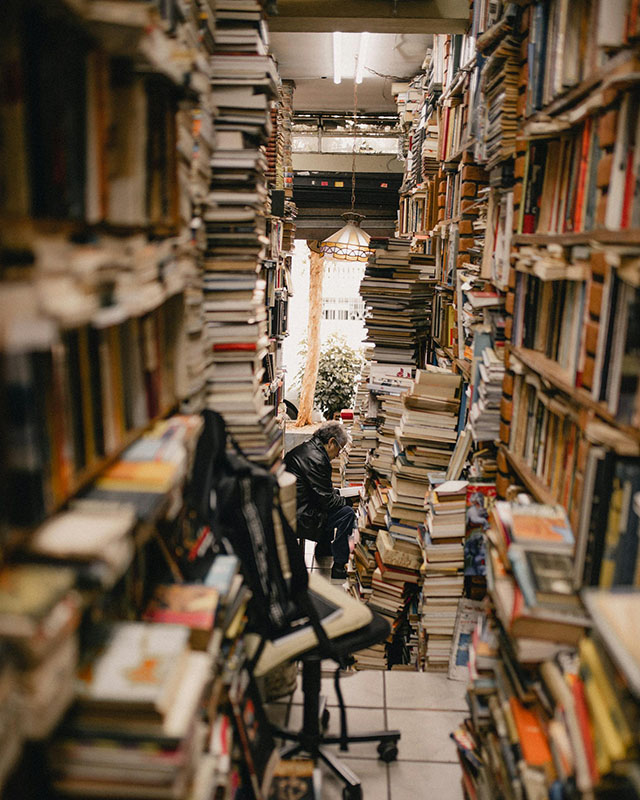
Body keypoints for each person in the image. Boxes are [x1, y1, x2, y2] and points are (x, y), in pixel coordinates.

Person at [283, 421, 354, 581]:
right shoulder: (318, 459)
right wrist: (347, 501)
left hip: (296, 506)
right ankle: (338, 566)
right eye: (339, 449)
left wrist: (337, 496)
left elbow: (320, 491)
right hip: (301, 516)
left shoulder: (308, 449)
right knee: (347, 513)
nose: (337, 455)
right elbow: (327, 501)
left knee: (335, 500)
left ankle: (323, 548)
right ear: (331, 442)